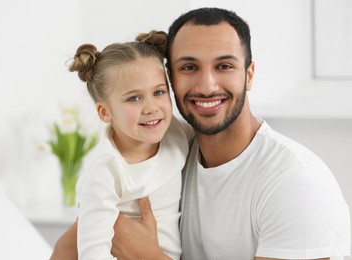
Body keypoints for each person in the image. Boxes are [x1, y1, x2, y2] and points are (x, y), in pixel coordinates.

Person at [51, 7, 350, 260]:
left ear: (248, 75)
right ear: (170, 80)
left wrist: (149, 255)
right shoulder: (166, 149)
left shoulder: (294, 181)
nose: (207, 86)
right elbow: (67, 250)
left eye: (224, 66)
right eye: (189, 67)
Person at [66, 31, 191, 259]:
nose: (151, 107)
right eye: (134, 98)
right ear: (105, 112)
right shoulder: (105, 171)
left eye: (159, 92)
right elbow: (93, 253)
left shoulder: (176, 132)